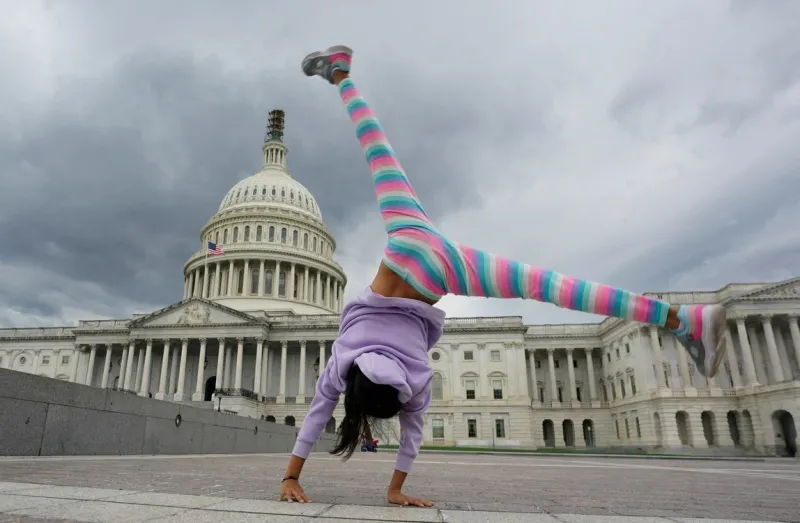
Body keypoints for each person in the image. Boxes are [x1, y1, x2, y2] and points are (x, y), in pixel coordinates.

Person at [278, 45, 728, 507]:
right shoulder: (345, 361)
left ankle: (684, 319)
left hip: (441, 272)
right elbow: (320, 411)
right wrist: (294, 476)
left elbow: (386, 430)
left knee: (552, 287)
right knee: (375, 145)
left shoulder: (413, 378)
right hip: (405, 241)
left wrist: (394, 488)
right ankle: (341, 74)